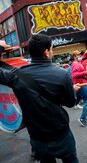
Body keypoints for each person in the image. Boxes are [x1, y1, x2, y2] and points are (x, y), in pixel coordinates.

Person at [0, 35, 79, 163]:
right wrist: (71, 91)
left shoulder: (15, 76)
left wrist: (1, 49)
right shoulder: (62, 74)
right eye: (52, 49)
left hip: (37, 138)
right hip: (61, 135)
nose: (52, 52)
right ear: (46, 52)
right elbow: (70, 103)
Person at [71, 48, 87, 127]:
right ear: (75, 56)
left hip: (83, 84)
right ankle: (82, 118)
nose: (80, 56)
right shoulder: (75, 64)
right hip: (81, 85)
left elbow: (83, 57)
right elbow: (74, 75)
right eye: (78, 55)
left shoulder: (78, 62)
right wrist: (86, 72)